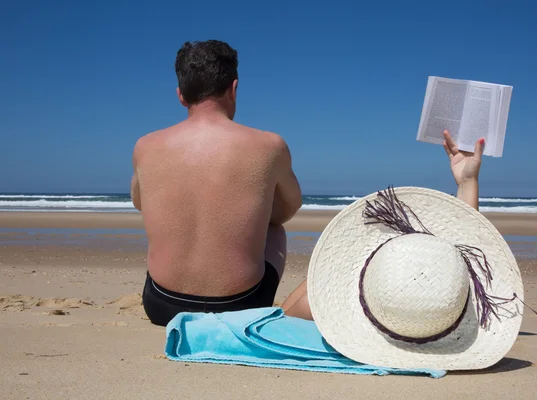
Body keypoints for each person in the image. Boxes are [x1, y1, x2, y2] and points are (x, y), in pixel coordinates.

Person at [131, 40, 302, 326]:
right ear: (233, 89)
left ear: (181, 96)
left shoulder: (145, 146)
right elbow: (288, 209)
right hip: (242, 305)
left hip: (162, 305)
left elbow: (140, 202)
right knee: (276, 231)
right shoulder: (271, 146)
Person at [281, 130, 486, 320]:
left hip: (319, 311)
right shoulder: (438, 302)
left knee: (309, 296)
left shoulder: (312, 305)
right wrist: (468, 182)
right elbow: (468, 255)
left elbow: (281, 323)